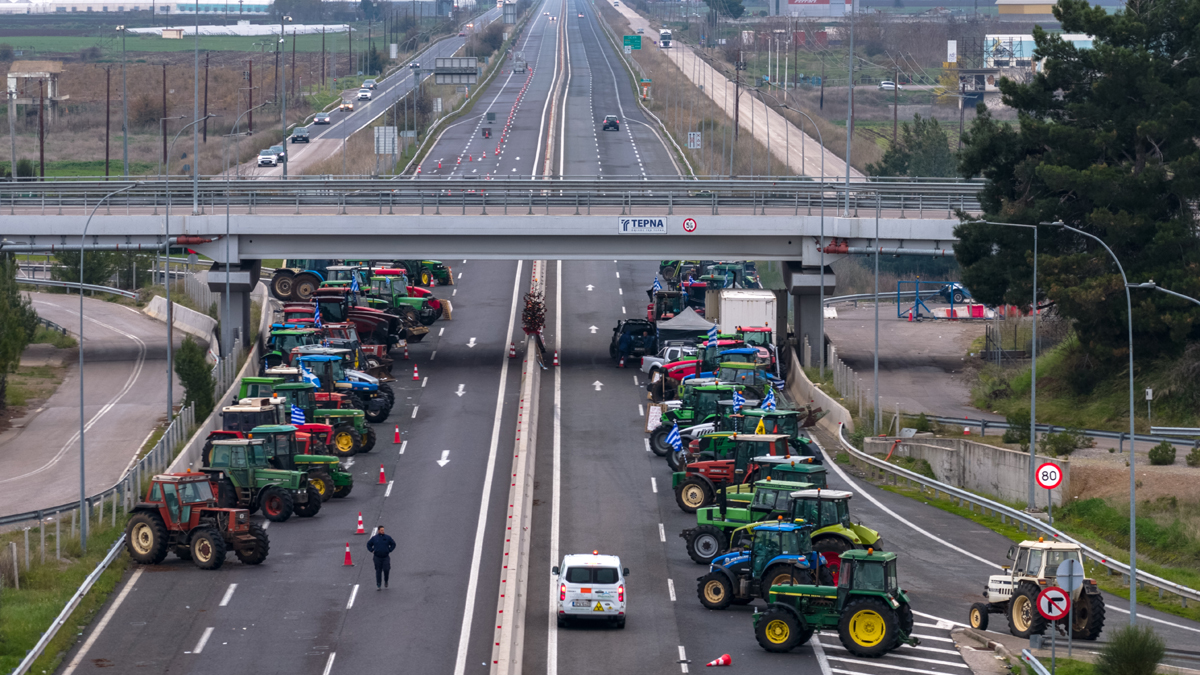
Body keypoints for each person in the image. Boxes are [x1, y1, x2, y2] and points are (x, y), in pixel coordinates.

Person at [366, 525, 396, 590]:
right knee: (378, 571)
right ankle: (378, 584)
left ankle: (386, 580)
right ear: (378, 530)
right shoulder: (374, 538)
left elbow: (393, 544)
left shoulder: (387, 537)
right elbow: (368, 544)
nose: (383, 531)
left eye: (383, 530)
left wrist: (389, 550)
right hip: (377, 557)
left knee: (386, 569)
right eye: (381, 530)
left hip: (385, 557)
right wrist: (372, 550)